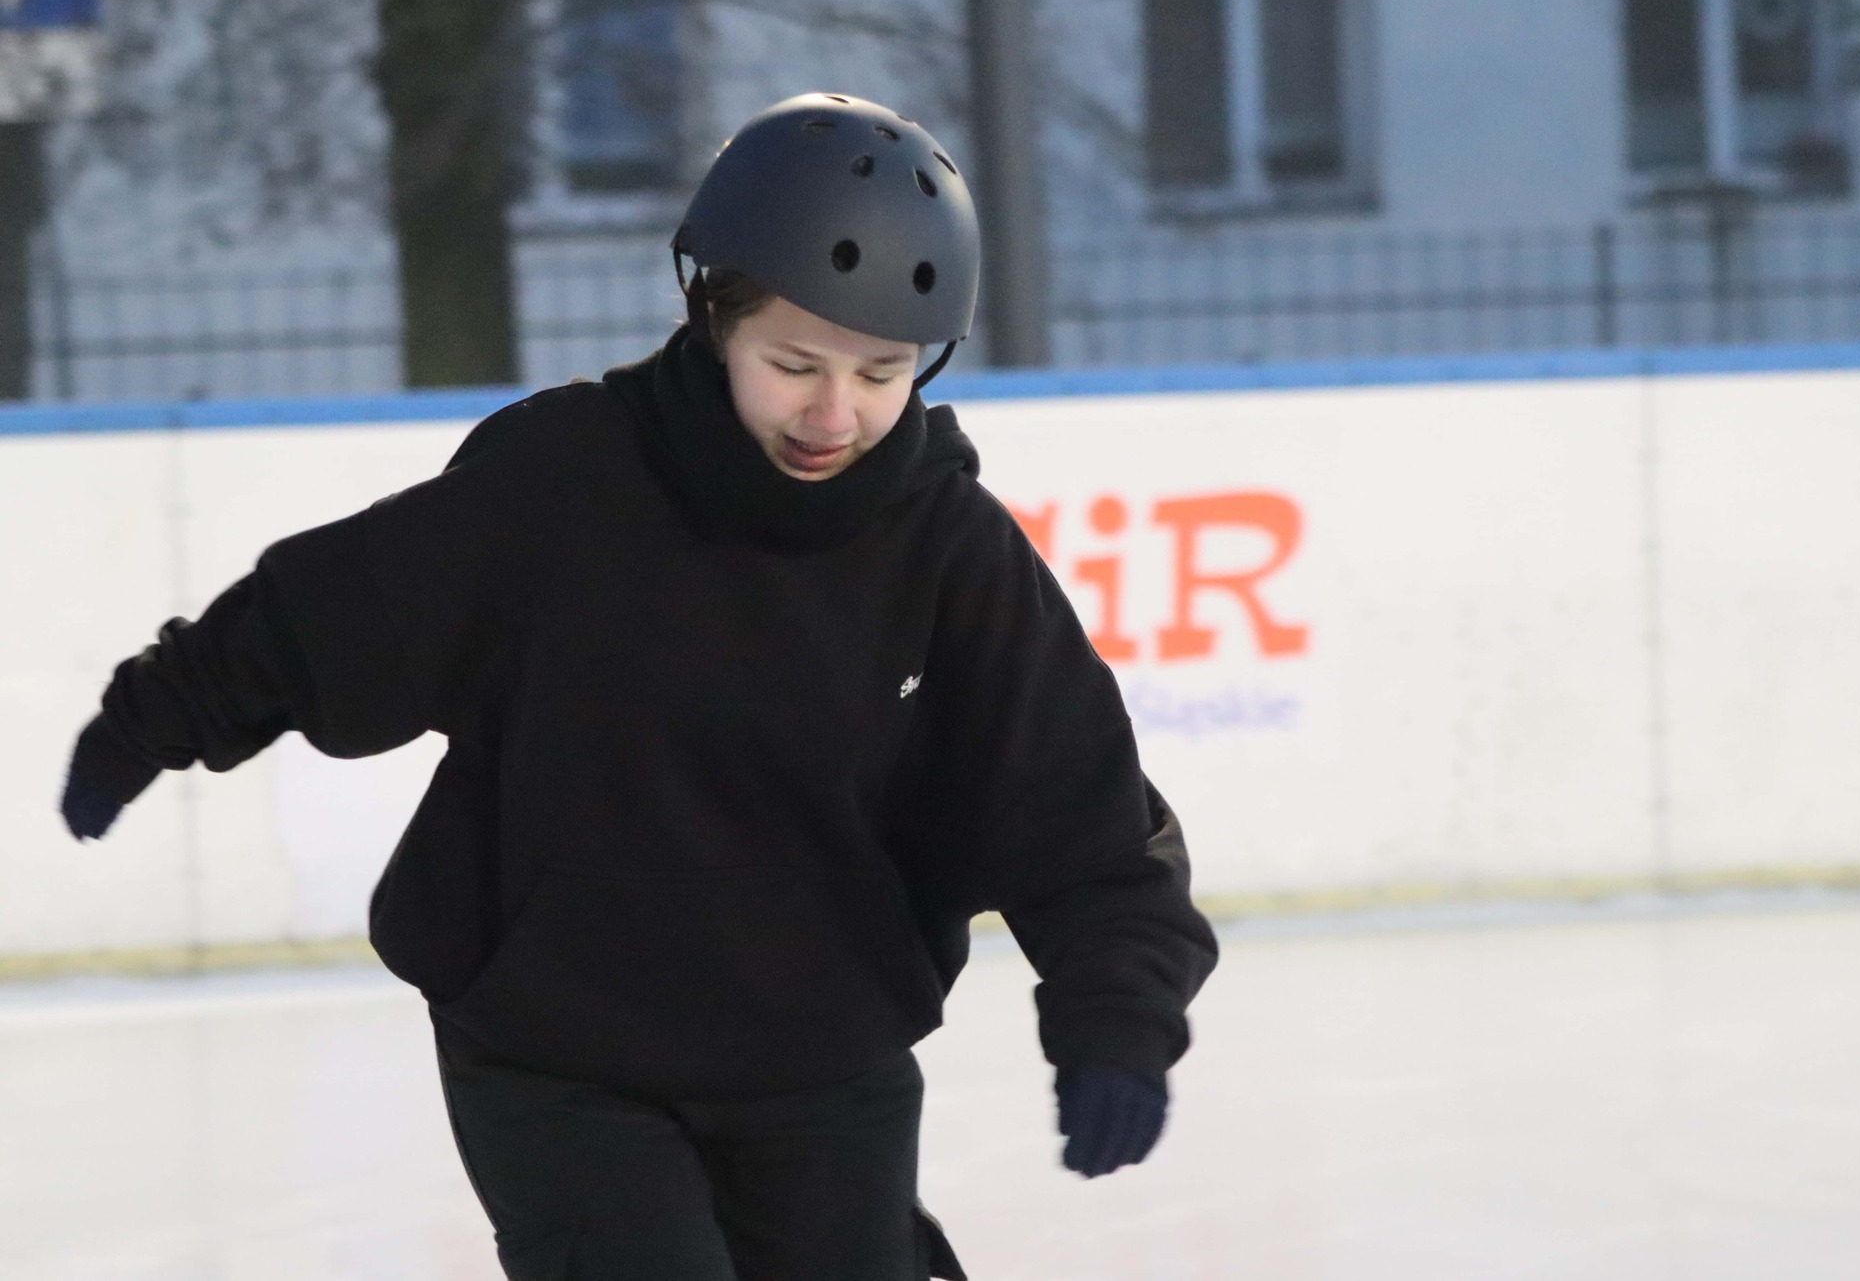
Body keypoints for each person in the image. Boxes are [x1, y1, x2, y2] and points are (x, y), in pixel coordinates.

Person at [57, 93, 1219, 1281]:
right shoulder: (561, 480)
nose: (835, 413)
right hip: (557, 1054)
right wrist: (149, 719)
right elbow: (337, 617)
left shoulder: (949, 549)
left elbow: (1070, 796)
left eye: (881, 373)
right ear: (713, 315)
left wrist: (1116, 1020)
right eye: (793, 364)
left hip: (821, 1061)